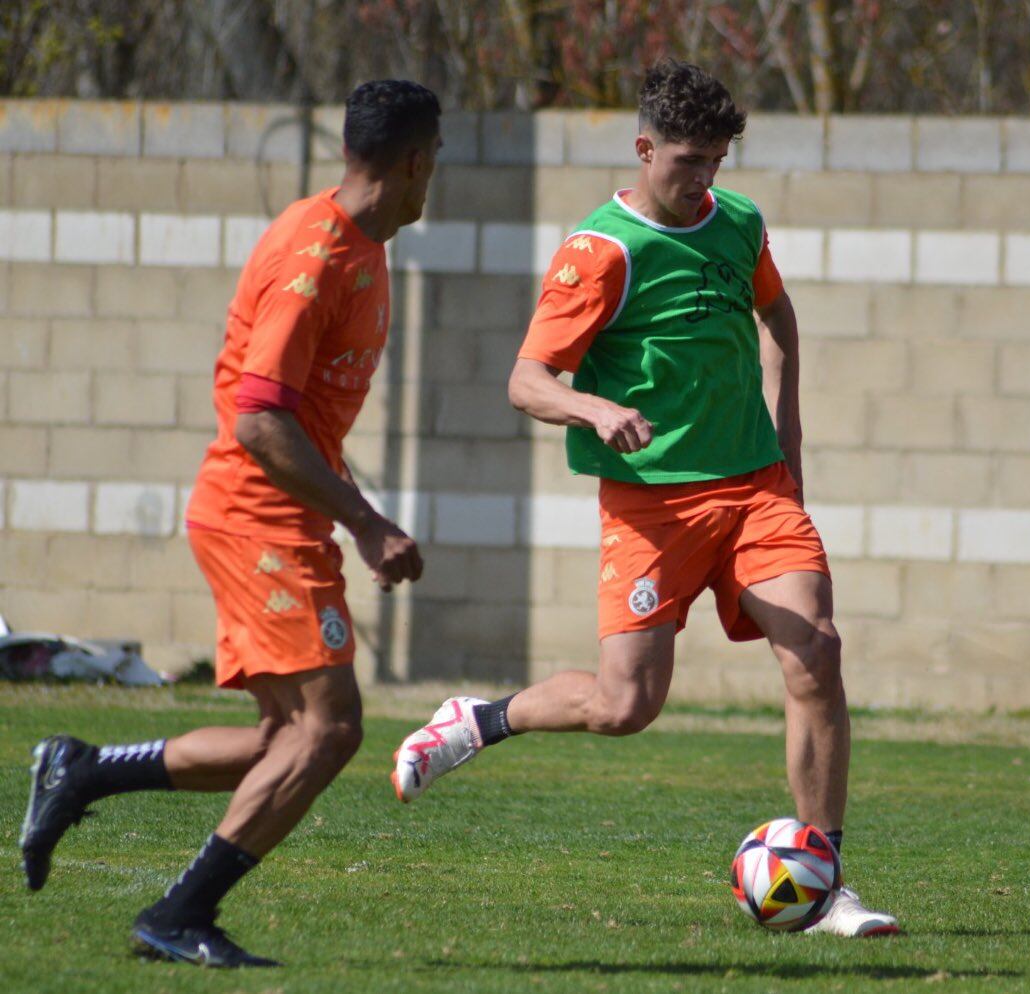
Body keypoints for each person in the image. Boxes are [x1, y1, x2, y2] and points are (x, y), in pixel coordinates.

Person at [391, 58, 897, 938]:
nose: (702, 181)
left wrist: (790, 441)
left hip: (754, 490)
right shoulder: (602, 253)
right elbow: (525, 379)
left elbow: (777, 320)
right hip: (650, 508)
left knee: (815, 652)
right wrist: (592, 405)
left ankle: (823, 880)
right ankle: (478, 720)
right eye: (685, 162)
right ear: (642, 148)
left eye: (715, 162)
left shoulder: (737, 221)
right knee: (626, 707)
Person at [19, 79, 441, 967]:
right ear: (412, 162)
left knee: (280, 739)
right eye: (433, 160)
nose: (432, 177)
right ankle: (178, 914)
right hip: (259, 519)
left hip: (274, 515)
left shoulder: (364, 244)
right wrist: (365, 523)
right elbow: (259, 419)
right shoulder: (316, 256)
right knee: (328, 731)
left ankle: (86, 770)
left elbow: (303, 416)